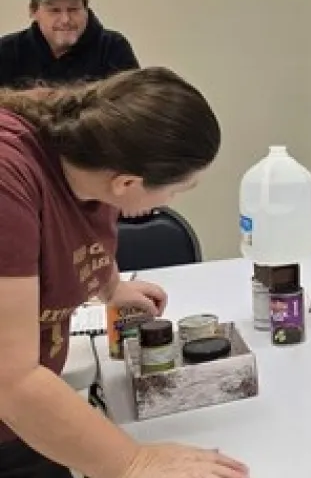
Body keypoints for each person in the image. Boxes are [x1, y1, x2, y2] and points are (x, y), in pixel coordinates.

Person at [0, 68, 248, 477]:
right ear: (128, 182)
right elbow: (10, 378)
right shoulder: (11, 177)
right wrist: (134, 461)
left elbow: (78, 218)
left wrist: (110, 287)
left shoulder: (86, 146)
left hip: (24, 417)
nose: (172, 200)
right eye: (178, 189)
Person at [0, 0, 139, 89]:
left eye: (73, 9)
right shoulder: (7, 51)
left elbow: (136, 109)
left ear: (86, 8)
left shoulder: (113, 48)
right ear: (33, 11)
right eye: (54, 10)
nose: (65, 19)